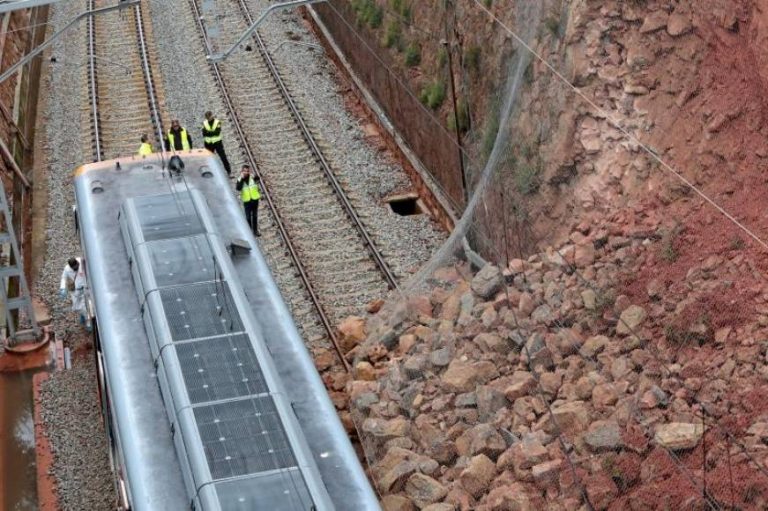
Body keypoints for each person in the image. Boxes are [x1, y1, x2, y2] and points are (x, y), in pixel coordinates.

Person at [59, 257, 91, 331]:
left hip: (86, 289)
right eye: (73, 268)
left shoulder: (83, 263)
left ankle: (88, 322)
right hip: (75, 290)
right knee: (77, 307)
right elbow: (63, 277)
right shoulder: (67, 269)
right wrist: (62, 288)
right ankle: (82, 315)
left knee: (86, 307)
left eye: (76, 267)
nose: (75, 269)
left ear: (77, 263)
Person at [202, 111, 232, 176]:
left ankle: (228, 171)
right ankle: (211, 173)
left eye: (209, 117)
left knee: (223, 157)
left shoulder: (217, 122)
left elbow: (217, 132)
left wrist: (209, 132)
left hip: (217, 143)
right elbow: (204, 134)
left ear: (212, 116)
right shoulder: (204, 123)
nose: (209, 118)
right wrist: (212, 132)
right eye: (207, 117)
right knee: (209, 159)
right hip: (208, 144)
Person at [235, 165, 261, 236]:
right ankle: (249, 231)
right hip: (247, 201)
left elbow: (258, 180)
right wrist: (242, 179)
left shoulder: (252, 177)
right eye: (245, 171)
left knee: (255, 216)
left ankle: (255, 231)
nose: (246, 172)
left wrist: (255, 176)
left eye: (247, 171)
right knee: (248, 217)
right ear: (242, 171)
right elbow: (238, 188)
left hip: (255, 199)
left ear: (249, 171)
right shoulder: (240, 179)